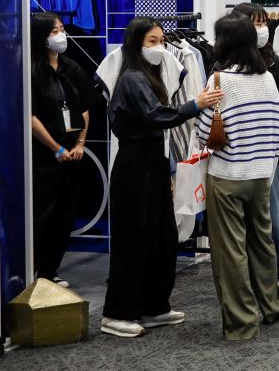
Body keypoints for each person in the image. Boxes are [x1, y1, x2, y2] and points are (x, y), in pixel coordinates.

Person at [102, 17, 217, 338]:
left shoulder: (149, 75)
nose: (160, 47)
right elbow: (157, 116)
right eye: (152, 41)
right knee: (133, 240)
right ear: (136, 44)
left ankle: (153, 306)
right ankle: (116, 313)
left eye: (161, 40)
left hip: (153, 164)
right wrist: (195, 105)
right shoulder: (132, 79)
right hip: (134, 168)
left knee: (162, 237)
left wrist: (165, 172)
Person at [194, 13, 279, 340]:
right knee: (262, 243)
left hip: (228, 175)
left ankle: (242, 322)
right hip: (261, 175)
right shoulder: (267, 78)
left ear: (225, 42)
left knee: (230, 251)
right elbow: (276, 129)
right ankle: (271, 305)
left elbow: (204, 133)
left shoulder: (220, 80)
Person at [230, 3, 279, 303]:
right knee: (239, 225)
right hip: (236, 157)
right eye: (254, 23)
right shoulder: (224, 64)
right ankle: (246, 281)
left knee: (272, 220)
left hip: (273, 154)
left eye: (263, 23)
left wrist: (265, 113)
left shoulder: (274, 62)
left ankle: (278, 278)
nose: (261, 29)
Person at [29, 13, 96, 288]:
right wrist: (56, 148)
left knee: (65, 214)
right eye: (54, 31)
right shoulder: (32, 71)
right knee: (42, 213)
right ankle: (32, 270)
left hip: (72, 153)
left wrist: (80, 143)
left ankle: (50, 270)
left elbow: (85, 109)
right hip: (43, 154)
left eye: (62, 29)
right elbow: (31, 116)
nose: (61, 36)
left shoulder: (72, 68)